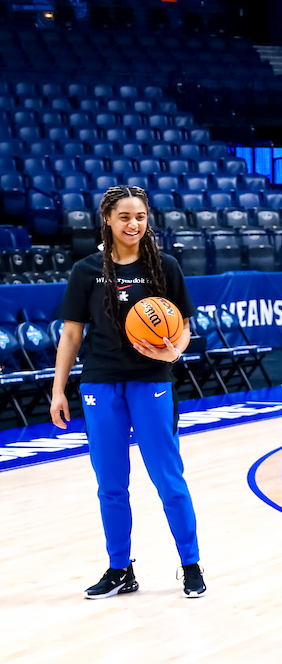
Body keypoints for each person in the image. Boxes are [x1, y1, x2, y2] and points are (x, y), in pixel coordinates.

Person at [51, 185, 205, 599]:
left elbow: (184, 327)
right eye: (124, 217)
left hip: (152, 382)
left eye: (139, 217)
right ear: (107, 220)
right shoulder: (86, 271)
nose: (133, 224)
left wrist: (175, 351)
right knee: (111, 485)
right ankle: (120, 569)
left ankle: (190, 564)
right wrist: (58, 391)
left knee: (168, 478)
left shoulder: (165, 267)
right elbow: (70, 334)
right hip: (99, 382)